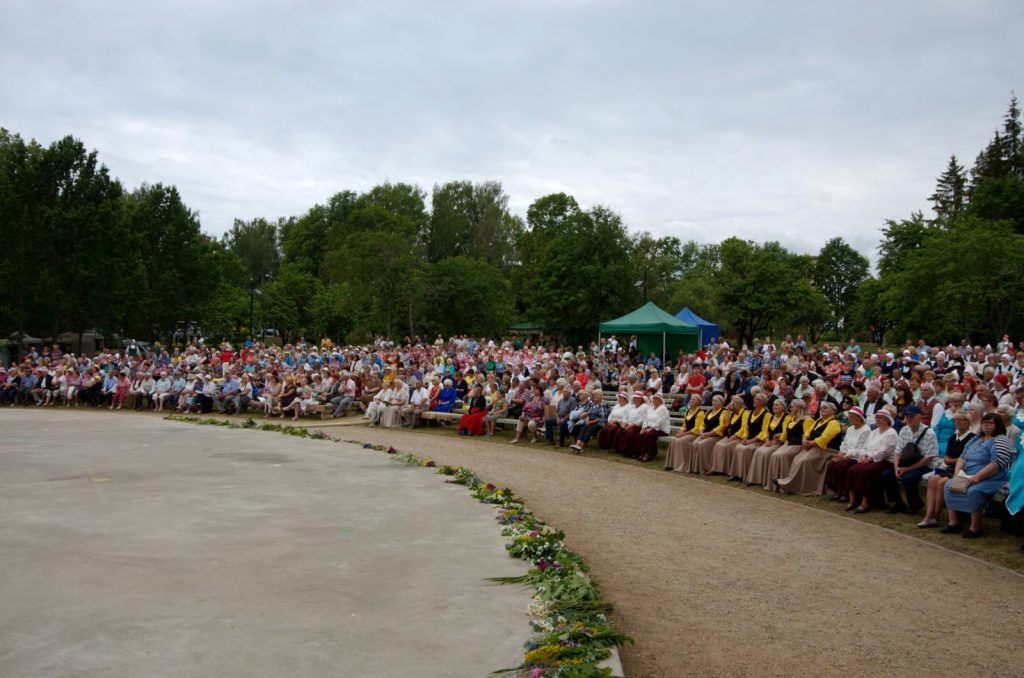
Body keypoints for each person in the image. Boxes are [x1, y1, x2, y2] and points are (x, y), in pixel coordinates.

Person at [941, 413, 1016, 538]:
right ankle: (954, 523)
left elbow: (996, 464)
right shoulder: (975, 439)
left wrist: (977, 477)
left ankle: (975, 528)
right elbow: (962, 457)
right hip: (967, 475)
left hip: (992, 478)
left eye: (990, 423)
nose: (986, 425)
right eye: (984, 422)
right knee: (949, 485)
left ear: (998, 425)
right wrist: (958, 472)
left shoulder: (1001, 440)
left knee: (974, 491)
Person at [918, 411, 975, 528]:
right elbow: (947, 455)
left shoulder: (972, 438)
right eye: (956, 420)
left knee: (942, 483)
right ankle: (928, 515)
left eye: (961, 420)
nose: (957, 422)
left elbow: (967, 458)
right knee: (933, 480)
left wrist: (951, 460)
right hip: (949, 468)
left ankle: (936, 515)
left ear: (968, 422)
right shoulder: (953, 437)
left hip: (963, 470)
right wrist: (949, 460)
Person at [776, 401, 846, 495]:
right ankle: (793, 484)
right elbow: (807, 432)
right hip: (815, 448)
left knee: (804, 460)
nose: (822, 409)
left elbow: (824, 439)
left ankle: (801, 486)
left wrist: (811, 443)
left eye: (825, 407)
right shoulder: (818, 421)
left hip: (827, 450)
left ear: (833, 411)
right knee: (797, 458)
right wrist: (804, 439)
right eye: (821, 408)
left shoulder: (834, 423)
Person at [882, 404, 939, 514]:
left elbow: (928, 458)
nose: (908, 419)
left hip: (925, 465)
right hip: (907, 463)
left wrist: (907, 469)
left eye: (911, 417)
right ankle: (898, 503)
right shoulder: (904, 430)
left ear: (920, 417)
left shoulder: (929, 433)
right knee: (887, 475)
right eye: (907, 416)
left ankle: (915, 503)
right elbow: (898, 451)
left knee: (908, 478)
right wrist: (896, 467)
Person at [846, 408, 899, 513]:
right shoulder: (874, 432)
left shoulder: (891, 433)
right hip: (869, 459)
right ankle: (853, 501)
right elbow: (865, 447)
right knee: (853, 470)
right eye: (877, 418)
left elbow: (885, 452)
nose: (878, 420)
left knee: (867, 472)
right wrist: (863, 456)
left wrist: (869, 458)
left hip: (885, 461)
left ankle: (865, 503)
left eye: (880, 418)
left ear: (887, 419)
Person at [823, 407, 871, 502]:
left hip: (856, 457)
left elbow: (861, 449)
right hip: (846, 455)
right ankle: (838, 490)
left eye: (852, 417)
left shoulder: (866, 430)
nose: (850, 419)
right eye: (849, 417)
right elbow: (844, 443)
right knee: (832, 464)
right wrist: (841, 453)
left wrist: (845, 456)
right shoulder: (850, 429)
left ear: (859, 417)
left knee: (842, 466)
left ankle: (845, 492)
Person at [763, 399, 813, 491]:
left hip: (798, 445)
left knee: (781, 455)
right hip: (788, 443)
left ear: (798, 408)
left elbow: (807, 434)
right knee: (774, 455)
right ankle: (773, 485)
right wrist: (779, 438)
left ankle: (784, 484)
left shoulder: (807, 420)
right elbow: (785, 433)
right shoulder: (791, 418)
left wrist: (804, 440)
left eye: (792, 407)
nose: (790, 409)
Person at [744, 398, 789, 485]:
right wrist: (767, 440)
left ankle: (764, 480)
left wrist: (777, 440)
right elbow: (765, 431)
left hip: (779, 443)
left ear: (783, 407)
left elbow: (785, 432)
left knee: (764, 453)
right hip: (769, 442)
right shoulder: (772, 416)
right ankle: (755, 479)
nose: (774, 407)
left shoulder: (787, 417)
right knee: (759, 451)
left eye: (777, 405)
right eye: (774, 405)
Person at [707, 396, 750, 475]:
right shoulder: (732, 413)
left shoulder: (745, 413)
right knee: (718, 445)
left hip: (739, 437)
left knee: (725, 446)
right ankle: (715, 468)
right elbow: (727, 423)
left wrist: (733, 438)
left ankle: (724, 469)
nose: (730, 405)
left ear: (737, 405)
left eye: (732, 404)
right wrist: (727, 410)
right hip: (730, 435)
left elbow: (743, 428)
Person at [665, 395, 707, 472]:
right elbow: (684, 425)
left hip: (694, 434)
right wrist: (680, 432)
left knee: (680, 441)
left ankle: (682, 465)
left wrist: (683, 434)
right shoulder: (687, 411)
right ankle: (672, 464)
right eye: (691, 399)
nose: (692, 400)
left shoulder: (700, 413)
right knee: (674, 440)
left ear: (698, 402)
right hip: (687, 433)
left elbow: (696, 428)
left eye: (694, 399)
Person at [693, 395, 734, 473]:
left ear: (721, 403)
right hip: (705, 433)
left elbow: (722, 426)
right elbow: (702, 423)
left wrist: (709, 434)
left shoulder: (724, 412)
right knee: (695, 443)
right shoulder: (709, 411)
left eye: (716, 401)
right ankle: (696, 467)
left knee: (702, 444)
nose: (714, 403)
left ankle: (706, 467)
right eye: (713, 401)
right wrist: (701, 432)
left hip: (716, 435)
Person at [632, 392, 671, 462]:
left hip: (662, 429)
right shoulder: (651, 408)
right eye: (654, 399)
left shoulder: (663, 409)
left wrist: (651, 428)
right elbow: (646, 419)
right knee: (639, 434)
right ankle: (641, 453)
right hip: (651, 427)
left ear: (660, 400)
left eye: (657, 399)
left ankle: (648, 454)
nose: (655, 400)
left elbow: (660, 422)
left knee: (649, 435)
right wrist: (643, 428)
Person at [615, 391, 649, 455]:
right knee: (620, 431)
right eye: (634, 398)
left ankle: (629, 450)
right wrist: (624, 423)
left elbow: (641, 420)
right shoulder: (632, 406)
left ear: (640, 399)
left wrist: (630, 426)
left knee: (630, 433)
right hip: (629, 424)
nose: (634, 399)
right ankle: (620, 448)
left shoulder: (645, 407)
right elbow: (626, 416)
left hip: (637, 426)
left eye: (636, 398)